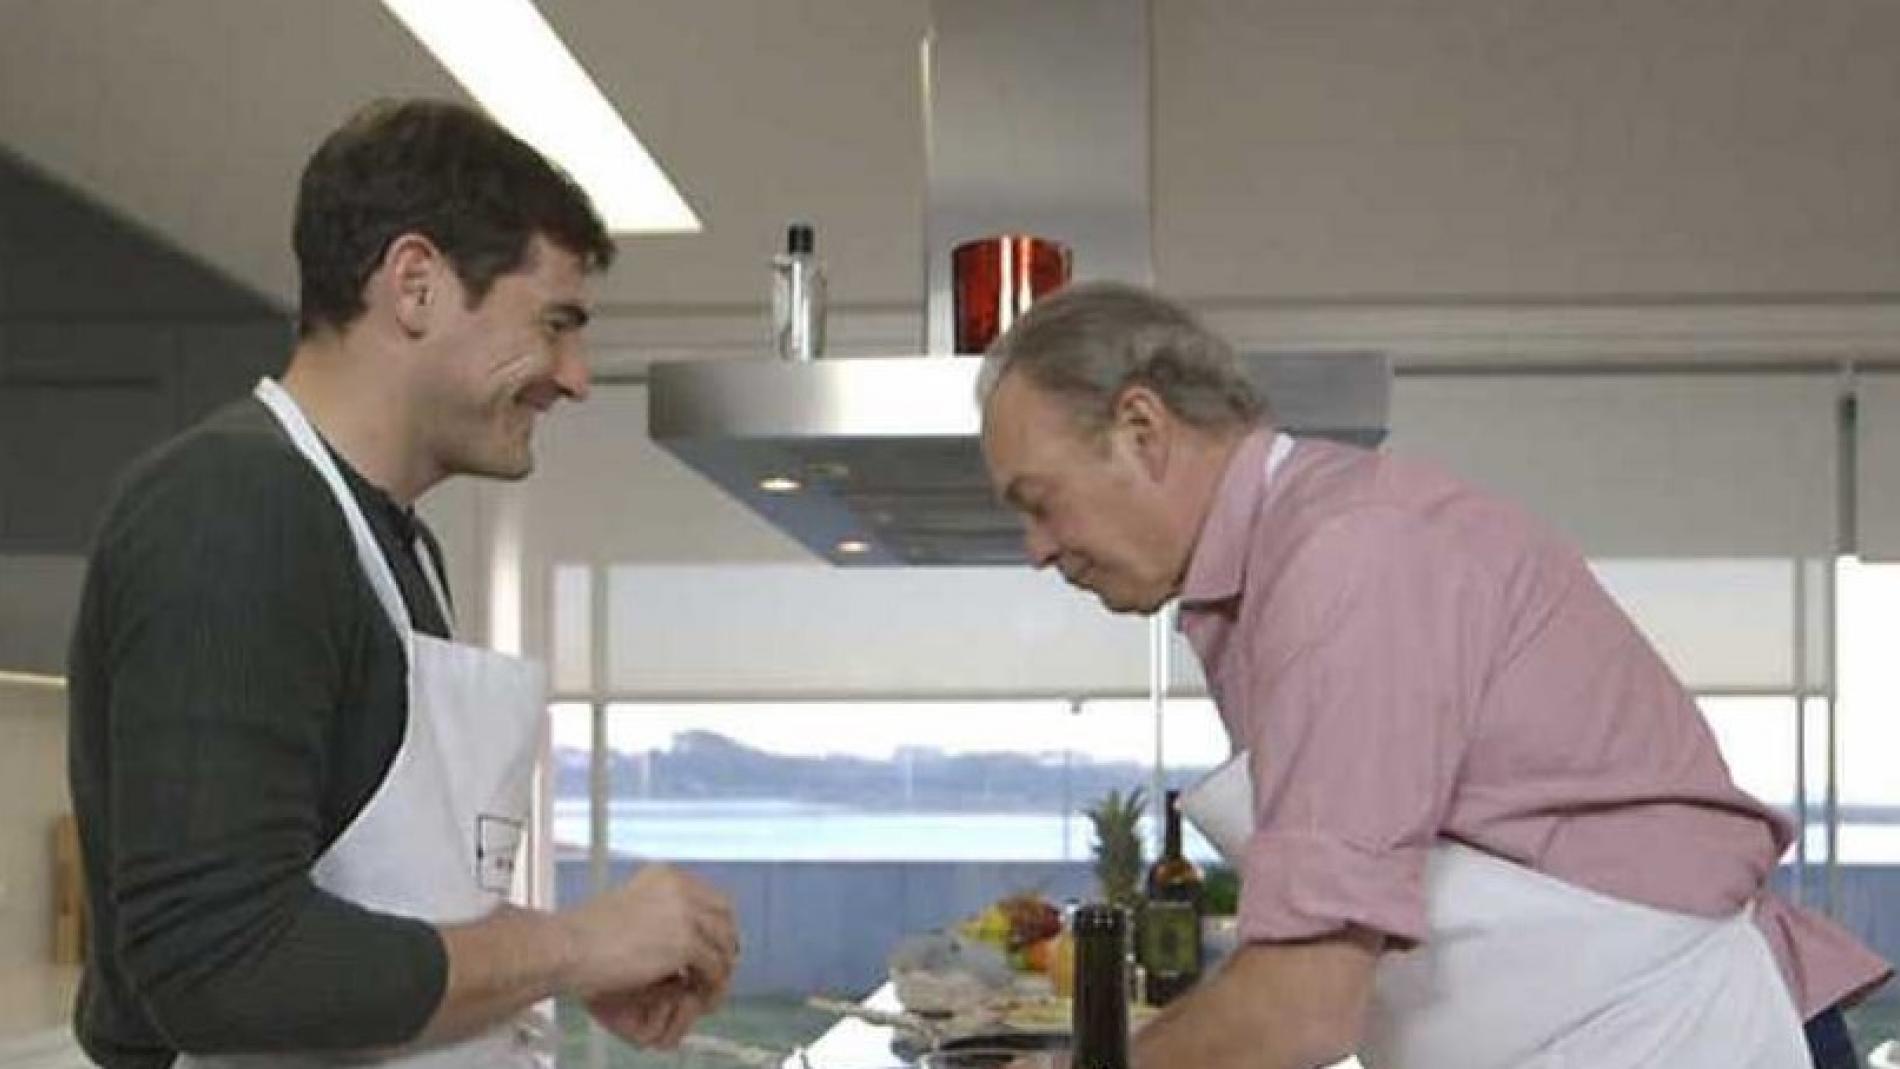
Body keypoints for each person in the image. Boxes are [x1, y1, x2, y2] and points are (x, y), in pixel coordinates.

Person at [976, 281, 1892, 1069]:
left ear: (1143, 427)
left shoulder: (1349, 559)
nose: (1037, 550)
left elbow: (1304, 999)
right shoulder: (1279, 572)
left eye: (1038, 500)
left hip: (1677, 1037)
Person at [66, 98, 739, 1067]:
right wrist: (577, 941)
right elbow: (220, 968)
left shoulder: (393, 545)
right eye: (554, 323)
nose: (576, 376)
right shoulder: (233, 506)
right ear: (415, 284)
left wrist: (563, 969)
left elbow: (384, 911)